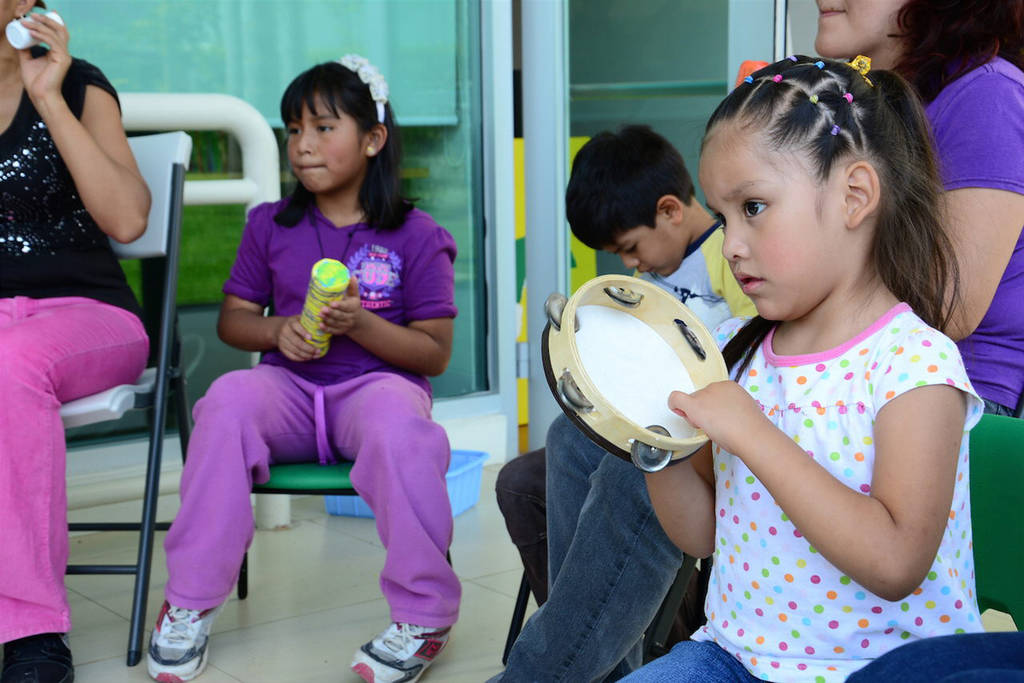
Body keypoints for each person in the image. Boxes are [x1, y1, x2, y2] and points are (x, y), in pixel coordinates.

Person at [620, 54, 984, 683]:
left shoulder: (913, 363)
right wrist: (658, 443)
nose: (731, 245)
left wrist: (752, 432)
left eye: (754, 207)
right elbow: (702, 534)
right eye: (723, 217)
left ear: (854, 196)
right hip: (733, 657)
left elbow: (896, 562)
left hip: (887, 669)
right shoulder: (733, 351)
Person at [146, 57, 459, 683]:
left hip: (375, 391)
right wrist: (276, 331)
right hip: (287, 389)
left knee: (402, 428)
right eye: (293, 130)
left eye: (322, 127)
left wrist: (362, 325)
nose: (303, 145)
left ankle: (424, 616)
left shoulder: (416, 235)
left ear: (373, 139)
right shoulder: (270, 224)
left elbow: (434, 353)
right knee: (226, 400)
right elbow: (235, 319)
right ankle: (189, 602)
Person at [495, 124, 754, 682]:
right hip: (651, 423)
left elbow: (748, 354)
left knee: (633, 470)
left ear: (669, 211)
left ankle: (551, 664)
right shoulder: (653, 280)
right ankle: (596, 658)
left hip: (705, 434)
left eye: (630, 248)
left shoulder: (729, 257)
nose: (633, 265)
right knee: (565, 436)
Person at [0, 0, 152, 681]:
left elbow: (127, 218)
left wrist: (49, 98)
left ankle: (32, 630)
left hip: (89, 315)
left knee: (8, 364)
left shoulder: (79, 85)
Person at [814, 0, 1024, 416]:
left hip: (960, 397)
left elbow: (949, 305)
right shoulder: (873, 99)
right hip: (864, 379)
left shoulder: (986, 94)